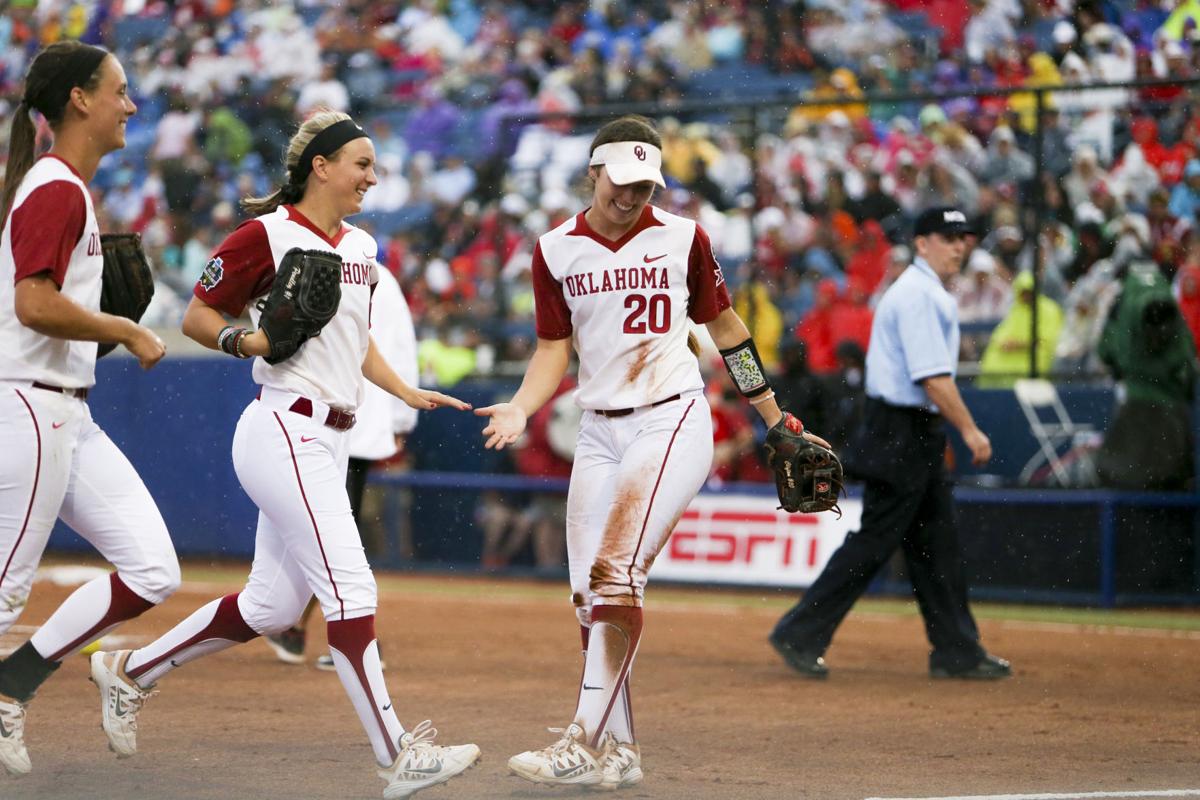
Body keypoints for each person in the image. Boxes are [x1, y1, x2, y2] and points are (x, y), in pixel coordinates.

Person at [88, 111, 479, 800]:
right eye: (361, 162)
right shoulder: (263, 235)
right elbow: (197, 316)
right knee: (351, 589)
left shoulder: (361, 246)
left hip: (330, 435)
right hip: (283, 428)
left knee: (270, 608)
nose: (373, 175)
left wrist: (403, 389)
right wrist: (248, 342)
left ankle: (131, 672)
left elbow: (354, 341)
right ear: (321, 166)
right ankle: (397, 757)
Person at [475, 115, 829, 790]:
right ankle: (623, 753)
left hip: (670, 419)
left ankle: (582, 738)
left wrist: (772, 415)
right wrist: (524, 405)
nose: (634, 195)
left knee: (615, 576)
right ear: (594, 171)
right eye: (623, 181)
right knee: (588, 595)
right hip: (597, 428)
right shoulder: (554, 251)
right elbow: (554, 350)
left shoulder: (683, 237)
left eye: (646, 184)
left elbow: (725, 327)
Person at [0, 41, 181, 777]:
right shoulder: (55, 186)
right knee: (6, 589)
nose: (129, 105)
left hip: (67, 411)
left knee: (151, 569)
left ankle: (12, 685)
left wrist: (95, 325)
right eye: (119, 91)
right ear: (80, 98)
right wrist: (122, 325)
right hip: (31, 410)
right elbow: (33, 303)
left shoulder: (62, 186)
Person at [769, 206, 1011, 681]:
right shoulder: (919, 294)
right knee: (877, 542)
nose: (959, 245)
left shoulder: (921, 291)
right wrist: (969, 428)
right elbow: (932, 378)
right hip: (902, 429)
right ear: (922, 243)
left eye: (963, 237)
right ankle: (800, 631)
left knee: (935, 544)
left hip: (905, 429)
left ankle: (956, 650)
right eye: (947, 236)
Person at [262, 265, 419, 671]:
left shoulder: (315, 265)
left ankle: (350, 637)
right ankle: (308, 627)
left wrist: (399, 418)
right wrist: (400, 420)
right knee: (329, 528)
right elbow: (402, 346)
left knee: (326, 531)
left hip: (335, 419)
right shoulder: (373, 273)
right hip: (358, 419)